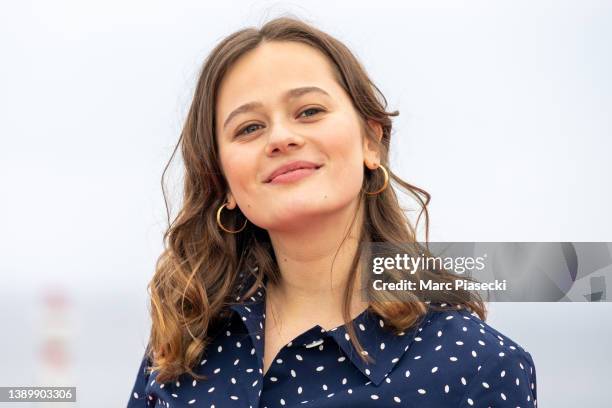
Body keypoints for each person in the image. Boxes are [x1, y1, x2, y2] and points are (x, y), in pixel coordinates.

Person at [127, 16, 537, 407]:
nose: (282, 138)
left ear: (370, 142)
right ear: (223, 183)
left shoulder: (480, 364)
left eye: (309, 111)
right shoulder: (184, 343)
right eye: (249, 127)